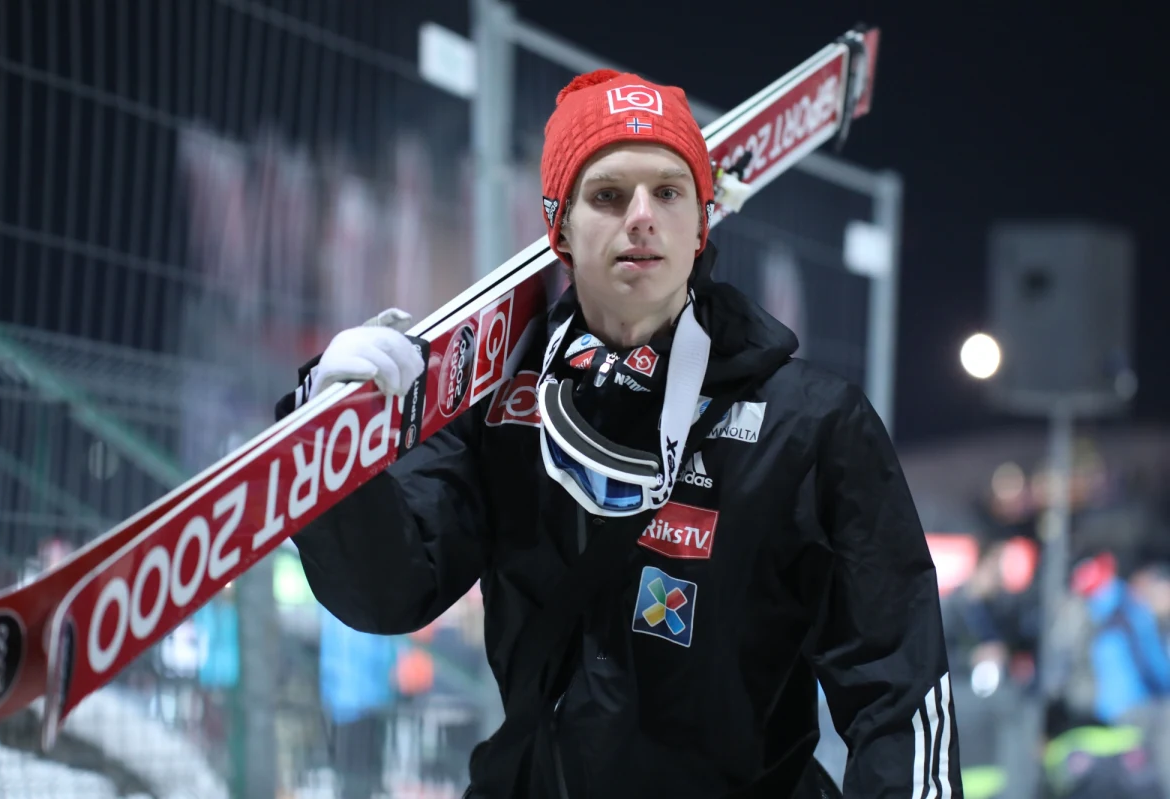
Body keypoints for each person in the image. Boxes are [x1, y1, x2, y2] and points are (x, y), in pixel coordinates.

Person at [279, 69, 962, 798]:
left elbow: (898, 689)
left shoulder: (811, 423)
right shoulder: (502, 407)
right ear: (560, 227)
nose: (642, 216)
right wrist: (328, 440)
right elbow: (389, 592)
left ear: (701, 224)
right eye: (607, 195)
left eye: (668, 192)